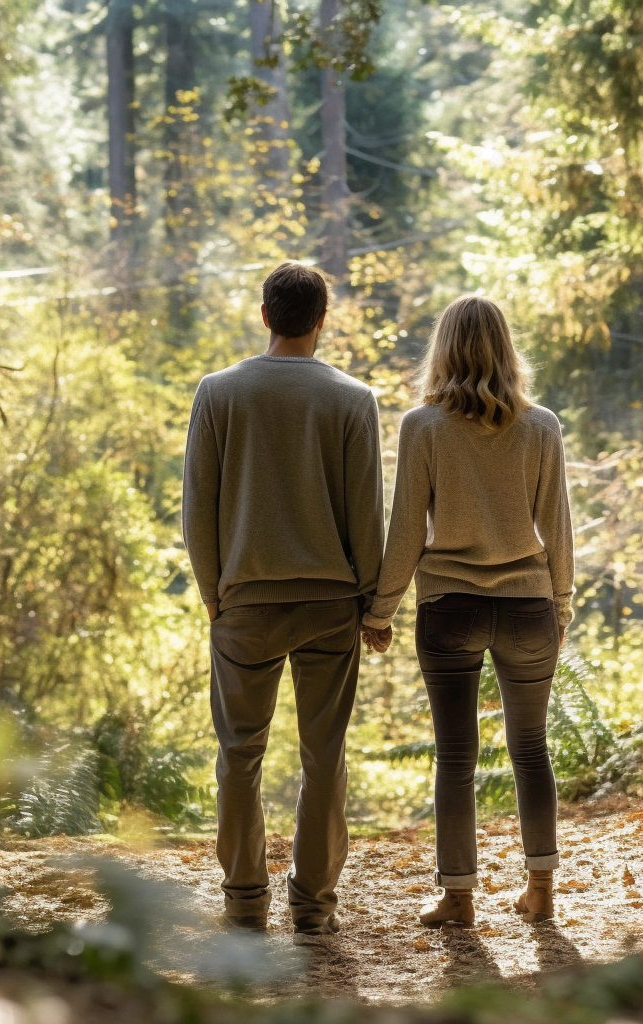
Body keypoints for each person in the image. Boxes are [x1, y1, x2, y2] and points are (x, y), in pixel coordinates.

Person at [182, 262, 384, 940]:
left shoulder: (218, 393)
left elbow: (197, 510)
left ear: (264, 316)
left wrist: (213, 596)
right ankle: (313, 907)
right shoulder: (354, 399)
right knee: (324, 753)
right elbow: (367, 516)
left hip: (244, 602)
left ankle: (244, 903)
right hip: (331, 602)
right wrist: (372, 602)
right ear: (321, 320)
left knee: (240, 753)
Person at [362, 295, 574, 927]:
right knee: (530, 748)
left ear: (443, 348)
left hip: (448, 605)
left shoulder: (422, 426)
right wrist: (560, 604)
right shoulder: (542, 427)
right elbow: (557, 527)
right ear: (507, 348)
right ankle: (540, 890)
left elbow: (405, 529)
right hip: (527, 605)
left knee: (456, 755)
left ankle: (457, 897)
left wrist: (381, 609)